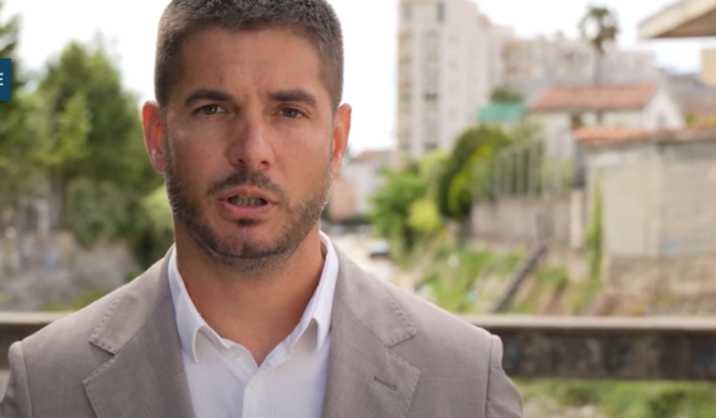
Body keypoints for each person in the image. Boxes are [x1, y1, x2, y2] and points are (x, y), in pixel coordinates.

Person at [0, 1, 523, 417]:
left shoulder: (466, 380)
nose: (252, 151)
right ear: (157, 136)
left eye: (289, 112)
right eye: (212, 108)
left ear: (337, 140)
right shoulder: (46, 384)